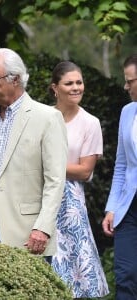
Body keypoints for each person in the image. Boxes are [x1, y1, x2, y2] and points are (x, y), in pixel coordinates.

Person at [0, 48, 68, 258]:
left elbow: (55, 180)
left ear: (16, 79)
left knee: (26, 292)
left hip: (27, 233)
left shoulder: (48, 118)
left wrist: (43, 227)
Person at [49, 61, 109, 298]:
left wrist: (49, 167)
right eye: (69, 83)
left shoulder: (90, 123)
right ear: (55, 88)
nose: (76, 88)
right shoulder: (44, 117)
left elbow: (85, 171)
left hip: (70, 201)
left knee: (75, 269)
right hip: (39, 194)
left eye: (79, 82)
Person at [102, 54, 137, 299]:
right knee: (125, 274)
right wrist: (112, 207)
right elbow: (122, 165)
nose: (125, 86)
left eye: (130, 81)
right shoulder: (127, 112)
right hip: (129, 207)